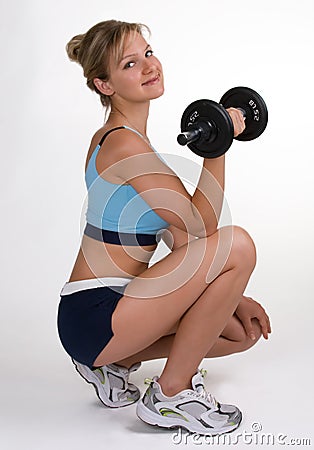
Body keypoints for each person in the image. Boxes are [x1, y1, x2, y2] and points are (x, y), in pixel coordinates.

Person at [57, 20, 271, 436]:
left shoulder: (138, 143)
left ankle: (113, 366)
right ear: (105, 85)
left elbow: (187, 241)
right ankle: (170, 396)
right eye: (131, 64)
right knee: (239, 245)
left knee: (239, 333)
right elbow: (203, 222)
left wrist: (235, 295)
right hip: (95, 313)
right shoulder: (121, 143)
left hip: (122, 311)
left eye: (148, 54)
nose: (149, 67)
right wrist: (219, 144)